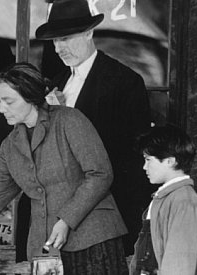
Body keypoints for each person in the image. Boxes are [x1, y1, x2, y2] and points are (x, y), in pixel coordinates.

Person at [0, 63, 129, 275]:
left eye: (8, 101)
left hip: (92, 241)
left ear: (30, 97)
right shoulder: (10, 146)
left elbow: (100, 174)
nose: (1, 109)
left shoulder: (69, 120)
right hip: (47, 249)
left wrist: (66, 220)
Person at [34, 0, 153, 256]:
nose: (58, 48)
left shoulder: (124, 82)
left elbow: (132, 160)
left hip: (107, 218)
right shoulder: (58, 83)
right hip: (62, 217)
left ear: (89, 32)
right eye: (54, 41)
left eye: (65, 38)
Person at [130, 125, 197, 275]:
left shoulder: (184, 201)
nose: (144, 167)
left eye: (148, 160)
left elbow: (180, 265)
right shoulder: (165, 197)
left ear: (170, 161)